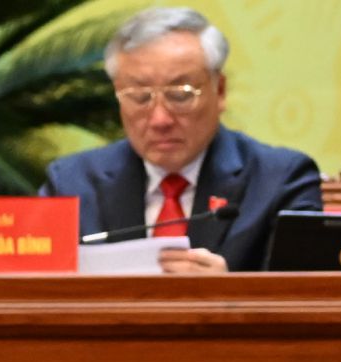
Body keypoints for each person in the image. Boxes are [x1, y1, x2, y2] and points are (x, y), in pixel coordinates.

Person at [41, 7, 322, 273]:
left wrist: (231, 294)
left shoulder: (281, 181)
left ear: (220, 90)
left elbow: (306, 301)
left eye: (181, 94)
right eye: (140, 97)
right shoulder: (71, 184)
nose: (160, 119)